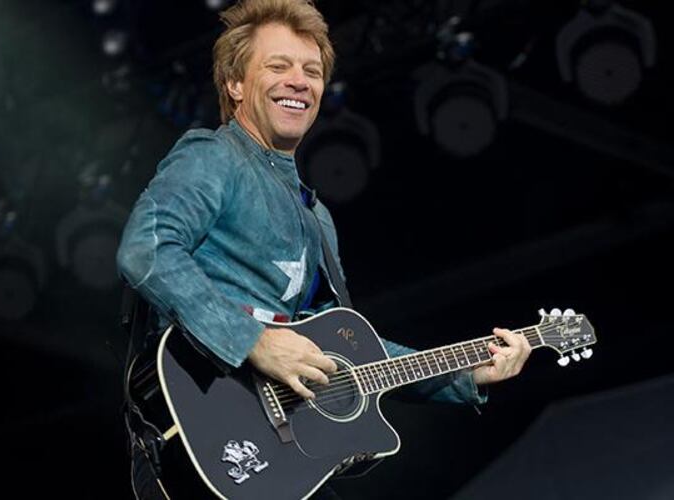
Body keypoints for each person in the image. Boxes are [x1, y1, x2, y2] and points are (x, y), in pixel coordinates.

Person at [116, 0, 531, 498]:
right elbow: (147, 246)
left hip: (280, 454)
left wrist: (466, 371)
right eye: (277, 66)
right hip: (204, 435)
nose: (299, 80)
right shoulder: (214, 156)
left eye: (311, 71)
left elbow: (351, 351)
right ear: (235, 84)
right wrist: (254, 341)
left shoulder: (317, 218)